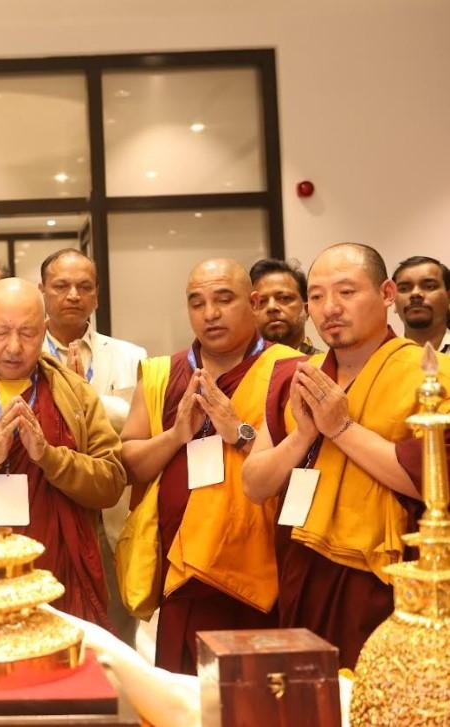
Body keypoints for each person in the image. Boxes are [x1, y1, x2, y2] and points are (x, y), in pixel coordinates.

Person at [244, 243, 450, 669]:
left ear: (387, 294)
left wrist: (341, 428)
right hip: (303, 567)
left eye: (347, 292)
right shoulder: (296, 377)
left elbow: (434, 482)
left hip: (388, 582)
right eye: (316, 296)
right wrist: (303, 435)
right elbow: (255, 483)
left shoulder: (430, 374)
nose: (329, 308)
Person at [118, 258, 299, 675]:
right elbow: (131, 464)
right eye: (196, 303)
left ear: (253, 303)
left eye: (223, 299)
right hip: (181, 567)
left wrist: (240, 432)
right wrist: (176, 434)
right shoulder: (162, 373)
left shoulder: (288, 369)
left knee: (258, 698)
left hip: (260, 568)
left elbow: (301, 470)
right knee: (186, 698)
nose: (210, 314)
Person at [0, 278, 126, 627]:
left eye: (29, 333)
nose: (14, 347)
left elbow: (111, 483)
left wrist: (50, 457)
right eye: (1, 332)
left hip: (56, 574)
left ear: (45, 329)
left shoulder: (74, 392)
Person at [39, 248, 146, 644]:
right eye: (61, 286)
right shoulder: (22, 356)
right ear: (43, 292)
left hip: (110, 515)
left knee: (115, 635)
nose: (73, 295)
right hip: (47, 509)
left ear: (96, 295)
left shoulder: (130, 357)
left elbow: (140, 424)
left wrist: (82, 396)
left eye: (84, 287)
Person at [250, 258, 321, 355]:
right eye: (261, 301)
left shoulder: (327, 366)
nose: (272, 307)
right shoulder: (243, 368)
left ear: (306, 309)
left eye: (284, 298)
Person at [392, 255, 450, 353]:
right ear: (393, 300)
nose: (415, 293)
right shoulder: (382, 357)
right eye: (404, 289)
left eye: (429, 286)